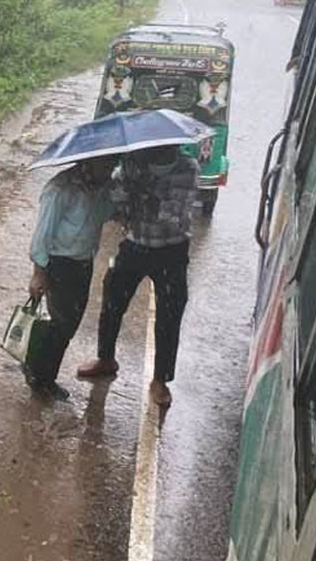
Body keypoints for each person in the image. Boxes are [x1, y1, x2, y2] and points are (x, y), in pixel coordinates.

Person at [77, 146, 200, 408]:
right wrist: (126, 200)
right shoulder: (131, 164)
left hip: (172, 250)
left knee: (170, 314)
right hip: (135, 245)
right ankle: (105, 358)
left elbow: (174, 216)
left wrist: (142, 196)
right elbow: (117, 203)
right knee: (112, 299)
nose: (153, 152)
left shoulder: (188, 168)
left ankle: (160, 380)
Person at [26, 156, 119, 400]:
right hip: (60, 264)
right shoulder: (60, 188)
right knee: (62, 324)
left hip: (83, 262)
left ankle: (36, 367)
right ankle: (42, 380)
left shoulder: (102, 187)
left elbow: (108, 213)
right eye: (105, 165)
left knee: (69, 322)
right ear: (89, 161)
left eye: (111, 166)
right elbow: (42, 234)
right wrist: (38, 274)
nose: (109, 170)